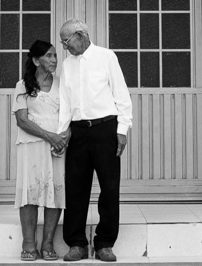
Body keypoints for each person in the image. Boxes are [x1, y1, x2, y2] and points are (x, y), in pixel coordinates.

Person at [56, 18, 132, 263]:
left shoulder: (106, 57)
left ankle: (105, 243)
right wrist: (62, 132)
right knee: (75, 188)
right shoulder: (67, 65)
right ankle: (76, 243)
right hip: (78, 132)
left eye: (66, 41)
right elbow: (65, 101)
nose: (65, 48)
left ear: (81, 35)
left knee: (109, 188)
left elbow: (121, 94)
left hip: (105, 129)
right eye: (62, 43)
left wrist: (122, 130)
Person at [13, 39, 68, 261]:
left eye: (55, 55)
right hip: (32, 146)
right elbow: (22, 120)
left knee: (55, 191)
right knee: (30, 191)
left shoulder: (62, 85)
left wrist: (62, 140)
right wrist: (50, 137)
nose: (54, 60)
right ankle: (28, 243)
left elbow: (69, 117)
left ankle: (47, 243)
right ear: (36, 60)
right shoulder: (22, 86)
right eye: (48, 56)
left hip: (57, 148)